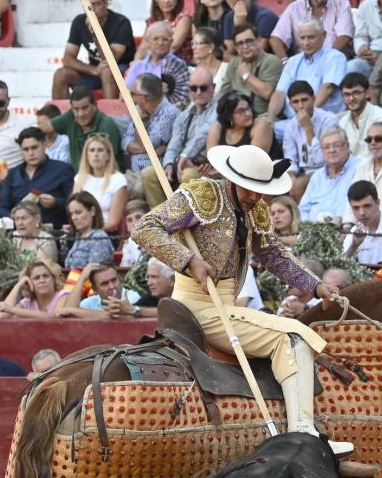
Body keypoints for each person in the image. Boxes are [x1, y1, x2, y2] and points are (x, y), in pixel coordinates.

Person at [134, 144, 353, 455]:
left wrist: (315, 286)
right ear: (232, 179)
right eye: (249, 189)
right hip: (197, 305)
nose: (254, 197)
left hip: (227, 303)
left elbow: (274, 256)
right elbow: (145, 228)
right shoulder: (201, 195)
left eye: (260, 191)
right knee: (292, 337)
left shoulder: (256, 209)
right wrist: (187, 260)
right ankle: (303, 432)